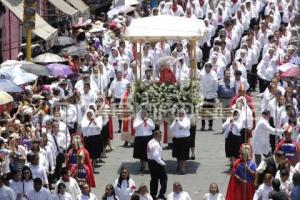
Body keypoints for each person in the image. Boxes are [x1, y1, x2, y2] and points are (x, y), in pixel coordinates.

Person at [147, 130, 167, 200]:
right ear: (155, 136)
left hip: (151, 162)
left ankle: (153, 194)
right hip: (157, 163)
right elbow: (156, 156)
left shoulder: (150, 141)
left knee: (154, 180)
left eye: (161, 136)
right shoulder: (155, 144)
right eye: (159, 136)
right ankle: (161, 194)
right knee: (164, 179)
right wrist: (162, 163)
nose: (160, 137)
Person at [170, 109, 191, 174]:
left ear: (184, 114)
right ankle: (179, 165)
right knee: (177, 154)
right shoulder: (176, 119)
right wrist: (175, 122)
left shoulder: (187, 120)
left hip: (184, 139)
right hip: (176, 139)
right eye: (179, 113)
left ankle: (183, 168)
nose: (181, 114)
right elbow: (171, 128)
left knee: (184, 155)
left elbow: (185, 127)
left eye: (182, 113)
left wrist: (178, 122)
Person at [200, 63, 218, 131]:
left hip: (211, 95)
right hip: (203, 95)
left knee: (210, 111)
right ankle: (203, 125)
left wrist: (215, 94)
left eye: (209, 68)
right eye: (206, 68)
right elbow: (199, 84)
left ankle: (210, 125)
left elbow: (216, 85)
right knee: (203, 112)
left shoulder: (214, 75)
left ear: (211, 68)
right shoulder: (202, 74)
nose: (207, 69)